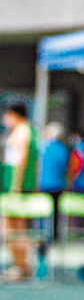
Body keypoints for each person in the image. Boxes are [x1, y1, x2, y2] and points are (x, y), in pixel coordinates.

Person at [1, 101, 38, 280]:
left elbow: (21, 159)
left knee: (15, 228)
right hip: (13, 187)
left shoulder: (24, 131)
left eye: (7, 115)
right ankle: (21, 266)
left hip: (19, 188)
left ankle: (22, 266)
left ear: (14, 114)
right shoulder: (21, 131)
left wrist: (16, 185)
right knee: (12, 228)